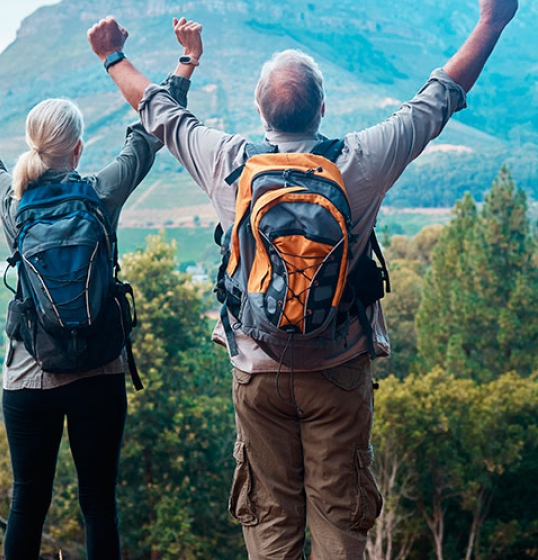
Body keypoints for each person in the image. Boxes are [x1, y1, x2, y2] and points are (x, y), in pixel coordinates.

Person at [87, 2, 517, 559]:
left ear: (260, 111)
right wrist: (492, 22)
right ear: (322, 108)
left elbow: (159, 110)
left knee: (269, 519)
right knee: (340, 519)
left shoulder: (228, 161)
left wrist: (113, 56)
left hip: (256, 369)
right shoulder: (360, 160)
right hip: (338, 366)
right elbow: (438, 99)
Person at [0, 20, 201, 559]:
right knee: (98, 504)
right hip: (99, 368)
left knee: (27, 503)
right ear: (79, 147)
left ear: (32, 145)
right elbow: (148, 135)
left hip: (29, 374)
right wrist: (185, 62)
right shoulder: (100, 194)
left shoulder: (14, 203)